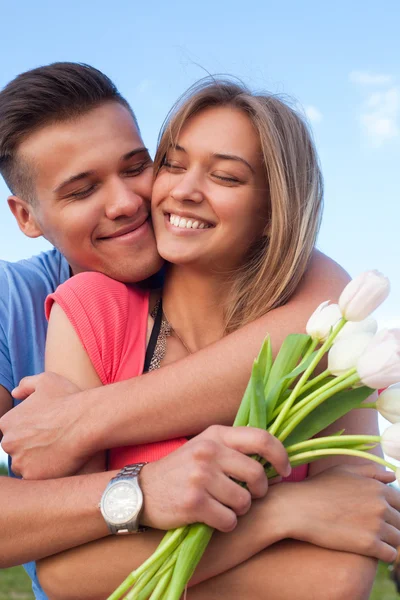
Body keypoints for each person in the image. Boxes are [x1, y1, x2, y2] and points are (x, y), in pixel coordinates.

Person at [0, 64, 397, 600]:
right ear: (26, 216)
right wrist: (272, 513)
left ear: (272, 211)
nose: (127, 203)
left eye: (138, 166)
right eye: (82, 190)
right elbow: (64, 575)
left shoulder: (316, 317)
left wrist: (79, 421)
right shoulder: (65, 306)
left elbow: (337, 572)